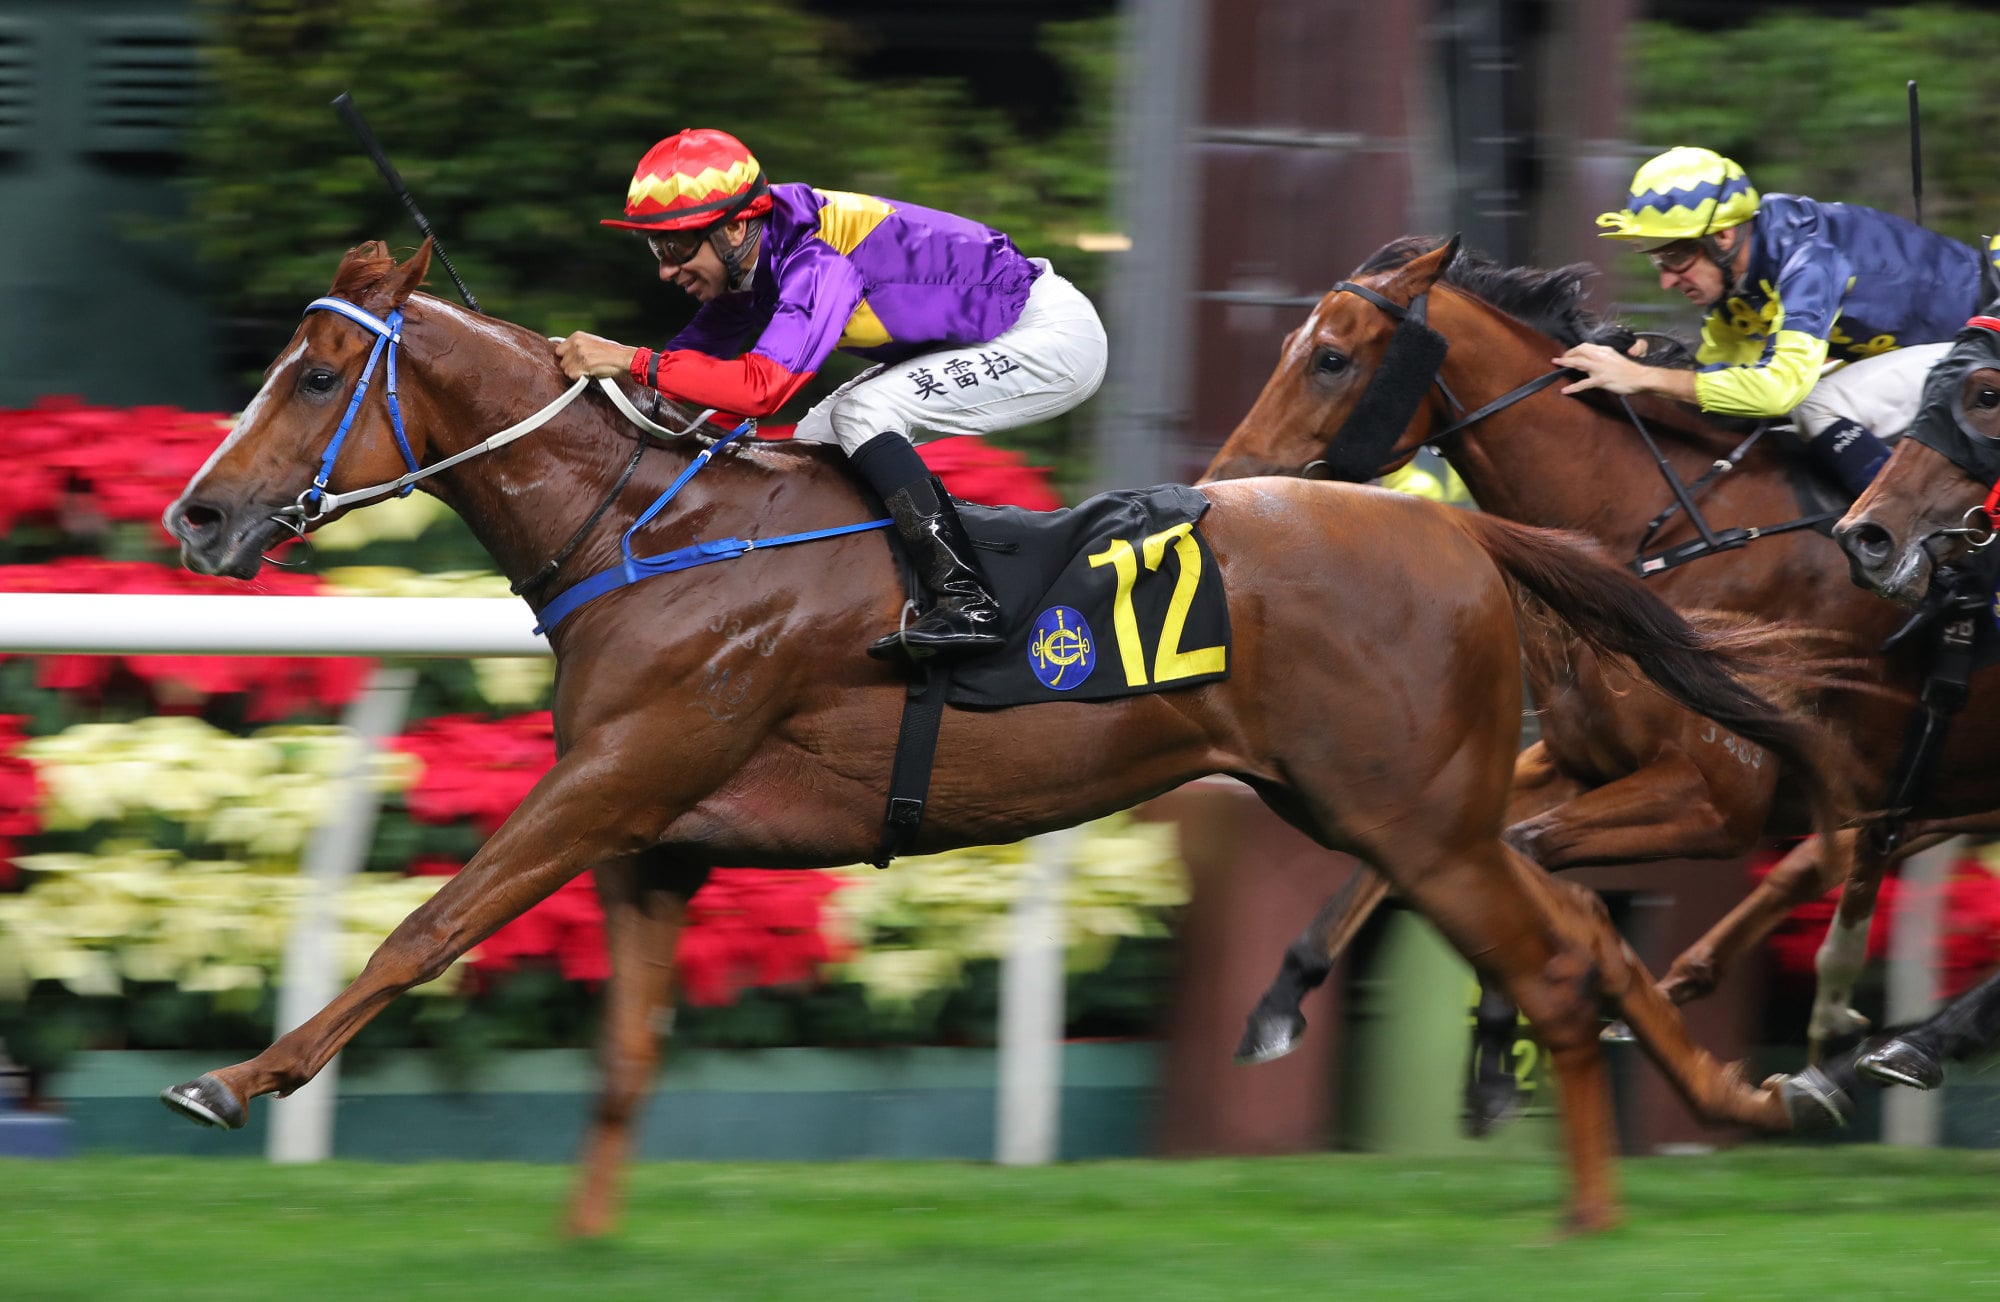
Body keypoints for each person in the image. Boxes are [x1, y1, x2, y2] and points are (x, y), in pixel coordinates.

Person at [553, 128, 1106, 664]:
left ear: (736, 229)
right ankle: (853, 598)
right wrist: (569, 383)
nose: (665, 270)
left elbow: (760, 390)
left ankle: (970, 601)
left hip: (1048, 336)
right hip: (997, 330)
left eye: (675, 245)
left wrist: (632, 359)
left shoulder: (818, 260)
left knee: (864, 414)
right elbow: (680, 386)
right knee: (814, 440)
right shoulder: (756, 260)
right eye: (655, 245)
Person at [1555, 145, 1999, 497]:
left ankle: (1927, 553)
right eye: (1659, 262)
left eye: (1675, 256)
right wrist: (1648, 358)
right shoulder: (1738, 285)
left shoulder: (1808, 260)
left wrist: (1643, 378)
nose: (1669, 280)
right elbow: (1725, 382)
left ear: (1724, 236)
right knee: (1782, 425)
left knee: (1814, 405)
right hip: (1954, 357)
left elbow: (1777, 391)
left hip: (1984, 345)